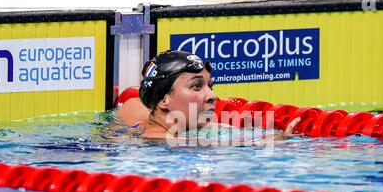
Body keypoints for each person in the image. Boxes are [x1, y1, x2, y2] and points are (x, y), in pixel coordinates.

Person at [116, 50, 300, 141]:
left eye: (210, 85)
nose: (212, 96)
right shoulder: (183, 144)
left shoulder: (132, 107)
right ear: (164, 99)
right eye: (197, 86)